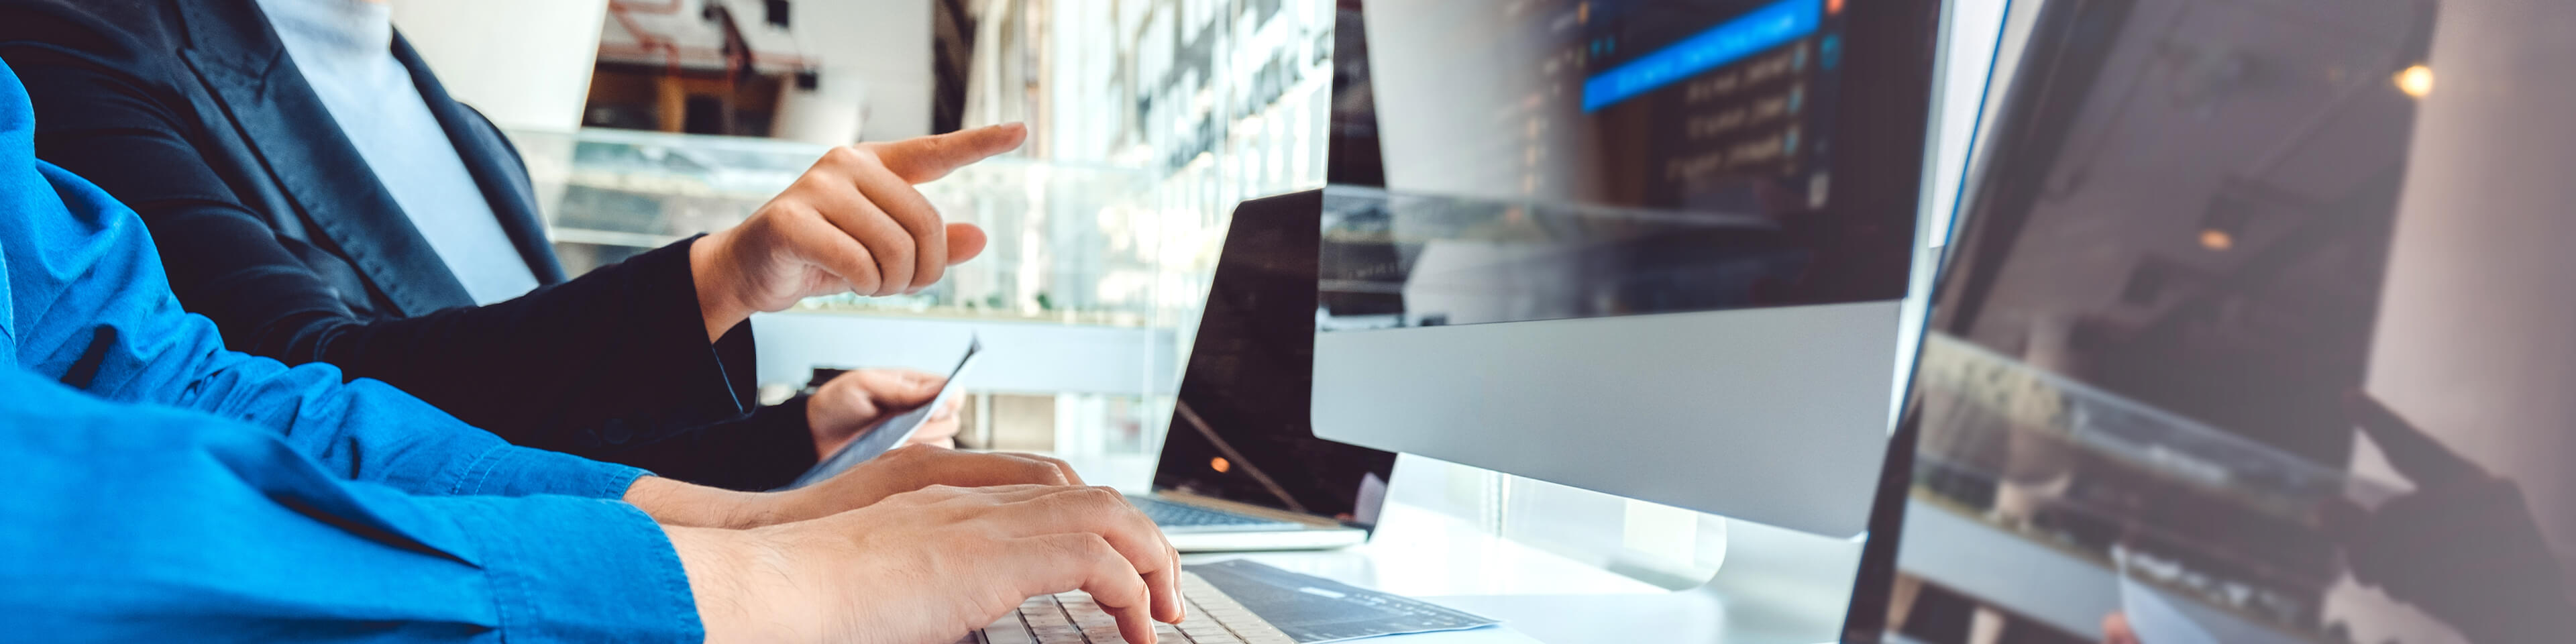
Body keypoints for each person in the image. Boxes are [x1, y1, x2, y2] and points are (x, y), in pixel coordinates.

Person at [0, 56, 1179, 643]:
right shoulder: (91, 46)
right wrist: (772, 576)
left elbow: (188, 381)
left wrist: (763, 501)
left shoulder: (453, 114)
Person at [0, 0, 985, 490]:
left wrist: (797, 439)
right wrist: (720, 277)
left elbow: (546, 446)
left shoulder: (469, 131)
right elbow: (304, 399)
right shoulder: (76, 44)